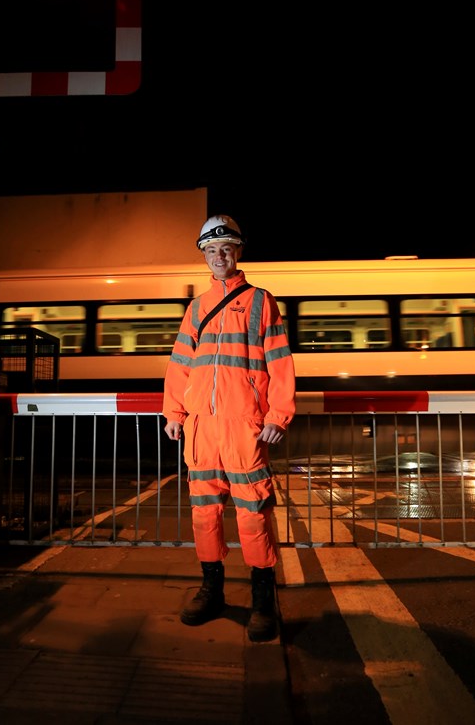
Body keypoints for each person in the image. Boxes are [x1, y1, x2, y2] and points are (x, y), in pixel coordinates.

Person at [163, 214, 296, 642]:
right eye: (211, 250)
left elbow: (279, 363)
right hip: (201, 427)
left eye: (226, 249)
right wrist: (174, 413)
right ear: (204, 256)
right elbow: (181, 364)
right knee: (204, 513)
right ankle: (212, 590)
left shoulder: (261, 300)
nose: (219, 257)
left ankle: (262, 600)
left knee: (253, 511)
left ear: (237, 252)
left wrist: (278, 415)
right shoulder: (197, 307)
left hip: (244, 426)